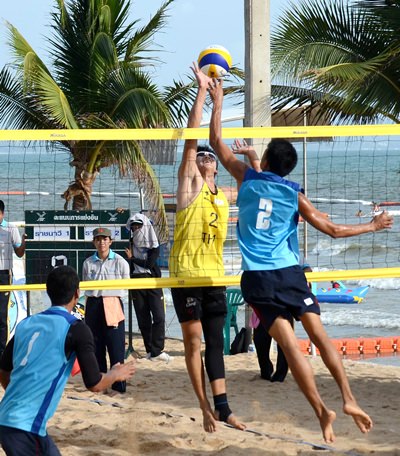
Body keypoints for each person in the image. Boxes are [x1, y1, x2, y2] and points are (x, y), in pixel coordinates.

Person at [209, 78, 394, 443]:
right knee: (320, 338)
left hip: (258, 279)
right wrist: (371, 227)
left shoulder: (247, 179)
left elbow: (216, 142)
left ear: (265, 161)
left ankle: (321, 411)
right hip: (291, 274)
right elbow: (332, 230)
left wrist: (217, 101)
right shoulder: (294, 195)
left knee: (291, 348)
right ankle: (348, 399)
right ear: (289, 169)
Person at [169, 63, 245, 433]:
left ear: (215, 167)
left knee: (216, 343)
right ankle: (203, 407)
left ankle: (224, 407)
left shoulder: (224, 194)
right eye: (201, 156)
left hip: (214, 275)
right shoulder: (189, 185)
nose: (205, 157)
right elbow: (195, 137)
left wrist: (220, 101)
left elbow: (219, 142)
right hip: (185, 276)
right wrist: (201, 91)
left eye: (209, 157)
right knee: (194, 341)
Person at [0, 265, 135, 455]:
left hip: (8, 417)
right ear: (77, 293)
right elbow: (94, 384)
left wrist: (19, 395)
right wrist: (115, 374)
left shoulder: (27, 323)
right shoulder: (76, 328)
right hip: (25, 428)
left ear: (48, 292)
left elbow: (4, 371)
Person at [82, 227, 130, 393]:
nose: (101, 242)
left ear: (110, 241)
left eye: (105, 239)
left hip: (112, 304)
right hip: (94, 304)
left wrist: (112, 296)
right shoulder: (88, 262)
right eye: (98, 239)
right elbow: (86, 284)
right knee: (96, 346)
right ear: (94, 242)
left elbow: (127, 286)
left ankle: (119, 386)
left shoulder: (120, 261)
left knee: (116, 347)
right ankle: (100, 383)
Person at [124, 213, 171, 362]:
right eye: (133, 227)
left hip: (152, 281)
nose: (136, 229)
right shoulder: (129, 243)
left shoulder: (154, 245)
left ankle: (158, 350)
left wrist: (132, 258)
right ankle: (150, 351)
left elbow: (149, 264)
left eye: (138, 226)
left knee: (159, 316)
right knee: (143, 319)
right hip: (136, 282)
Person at [0, 201, 26, 358]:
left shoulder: (11, 229)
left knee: (2, 315)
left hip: (3, 274)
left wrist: (24, 243)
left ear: (2, 213)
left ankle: (2, 352)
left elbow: (20, 253)